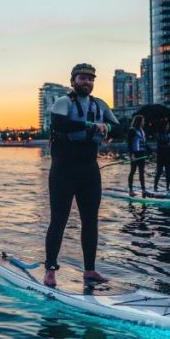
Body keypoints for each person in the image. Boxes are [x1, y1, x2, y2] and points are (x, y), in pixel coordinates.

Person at [43, 63, 118, 287]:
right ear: (73, 80)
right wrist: (91, 125)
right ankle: (50, 270)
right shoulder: (63, 102)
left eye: (91, 79)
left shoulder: (100, 104)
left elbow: (119, 126)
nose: (87, 82)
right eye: (82, 78)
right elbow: (59, 123)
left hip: (89, 170)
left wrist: (107, 128)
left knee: (90, 221)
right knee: (59, 220)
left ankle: (90, 270)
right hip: (63, 170)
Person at [127, 114, 149, 197]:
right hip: (135, 154)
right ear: (139, 121)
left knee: (141, 172)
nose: (144, 122)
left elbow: (145, 143)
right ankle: (130, 190)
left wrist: (151, 152)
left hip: (142, 153)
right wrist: (132, 154)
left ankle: (143, 189)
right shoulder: (132, 130)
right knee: (132, 171)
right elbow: (129, 143)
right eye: (143, 121)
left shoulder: (142, 130)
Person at [152, 118, 170, 192]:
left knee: (168, 172)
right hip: (161, 155)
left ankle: (167, 187)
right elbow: (159, 146)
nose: (168, 126)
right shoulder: (159, 134)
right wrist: (168, 145)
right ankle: (155, 186)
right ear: (164, 126)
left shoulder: (169, 134)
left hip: (168, 155)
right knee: (159, 171)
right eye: (167, 125)